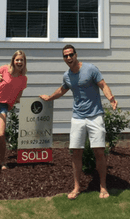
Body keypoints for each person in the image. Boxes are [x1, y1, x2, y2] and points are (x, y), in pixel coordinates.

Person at [40, 44, 117, 199]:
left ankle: (103, 186)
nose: (68, 58)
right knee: (76, 152)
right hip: (78, 117)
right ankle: (76, 187)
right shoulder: (67, 76)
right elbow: (62, 89)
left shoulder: (90, 69)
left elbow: (103, 85)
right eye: (65, 56)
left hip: (95, 116)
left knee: (99, 152)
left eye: (71, 55)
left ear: (76, 55)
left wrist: (111, 98)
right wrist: (49, 97)